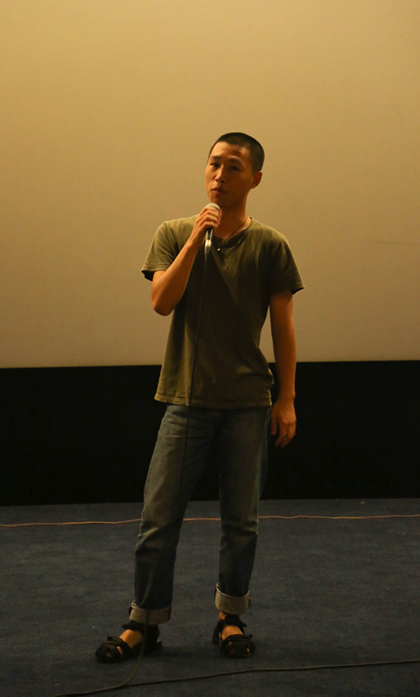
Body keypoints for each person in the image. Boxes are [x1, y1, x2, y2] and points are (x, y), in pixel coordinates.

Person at [96, 132, 304, 662]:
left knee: (241, 523)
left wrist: (286, 398)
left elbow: (283, 327)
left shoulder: (271, 245)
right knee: (158, 519)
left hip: (247, 403)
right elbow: (161, 302)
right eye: (213, 164)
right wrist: (195, 240)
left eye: (233, 167)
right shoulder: (174, 233)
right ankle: (144, 621)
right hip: (185, 401)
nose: (219, 175)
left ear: (255, 178)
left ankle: (230, 618)